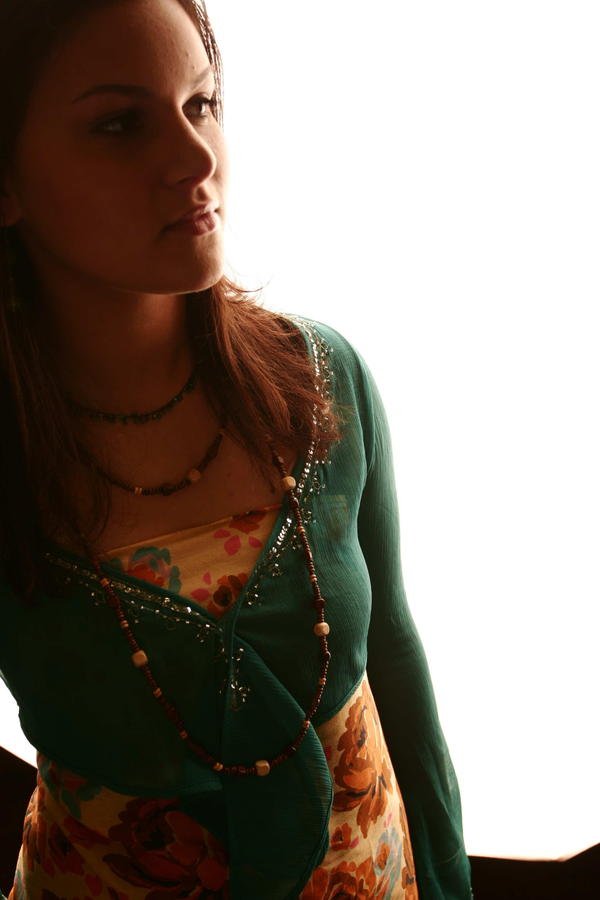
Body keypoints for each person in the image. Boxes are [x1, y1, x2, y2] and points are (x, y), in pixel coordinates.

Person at [0, 0, 472, 897]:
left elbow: (395, 655)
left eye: (202, 103)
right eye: (119, 124)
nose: (195, 159)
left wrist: (451, 883)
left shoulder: (321, 381)